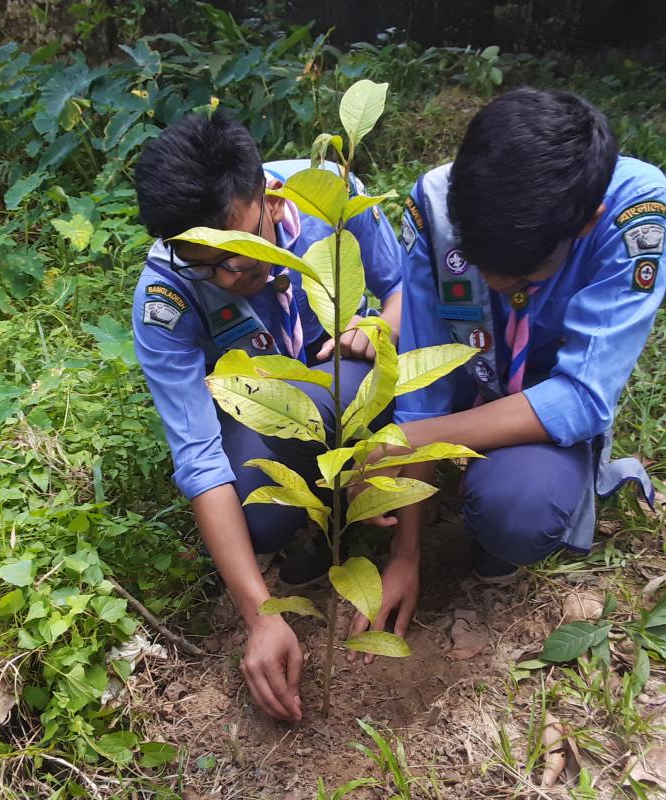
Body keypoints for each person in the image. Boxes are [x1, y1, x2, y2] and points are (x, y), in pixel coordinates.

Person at [347, 87, 666, 650]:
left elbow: (581, 396)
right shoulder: (435, 202)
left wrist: (411, 441)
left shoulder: (631, 213)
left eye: (523, 272)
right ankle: (467, 476)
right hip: (471, 390)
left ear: (585, 223)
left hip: (541, 409)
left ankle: (504, 505)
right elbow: (422, 389)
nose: (497, 282)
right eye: (481, 261)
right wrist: (405, 555)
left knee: (519, 510)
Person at [131, 110, 403, 720]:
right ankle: (316, 511)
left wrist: (379, 329)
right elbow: (198, 456)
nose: (229, 276)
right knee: (255, 510)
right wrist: (261, 615)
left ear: (271, 200)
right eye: (206, 264)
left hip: (351, 384)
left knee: (345, 376)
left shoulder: (332, 195)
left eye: (243, 250)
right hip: (271, 414)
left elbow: (402, 289)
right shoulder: (166, 297)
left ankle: (360, 492)